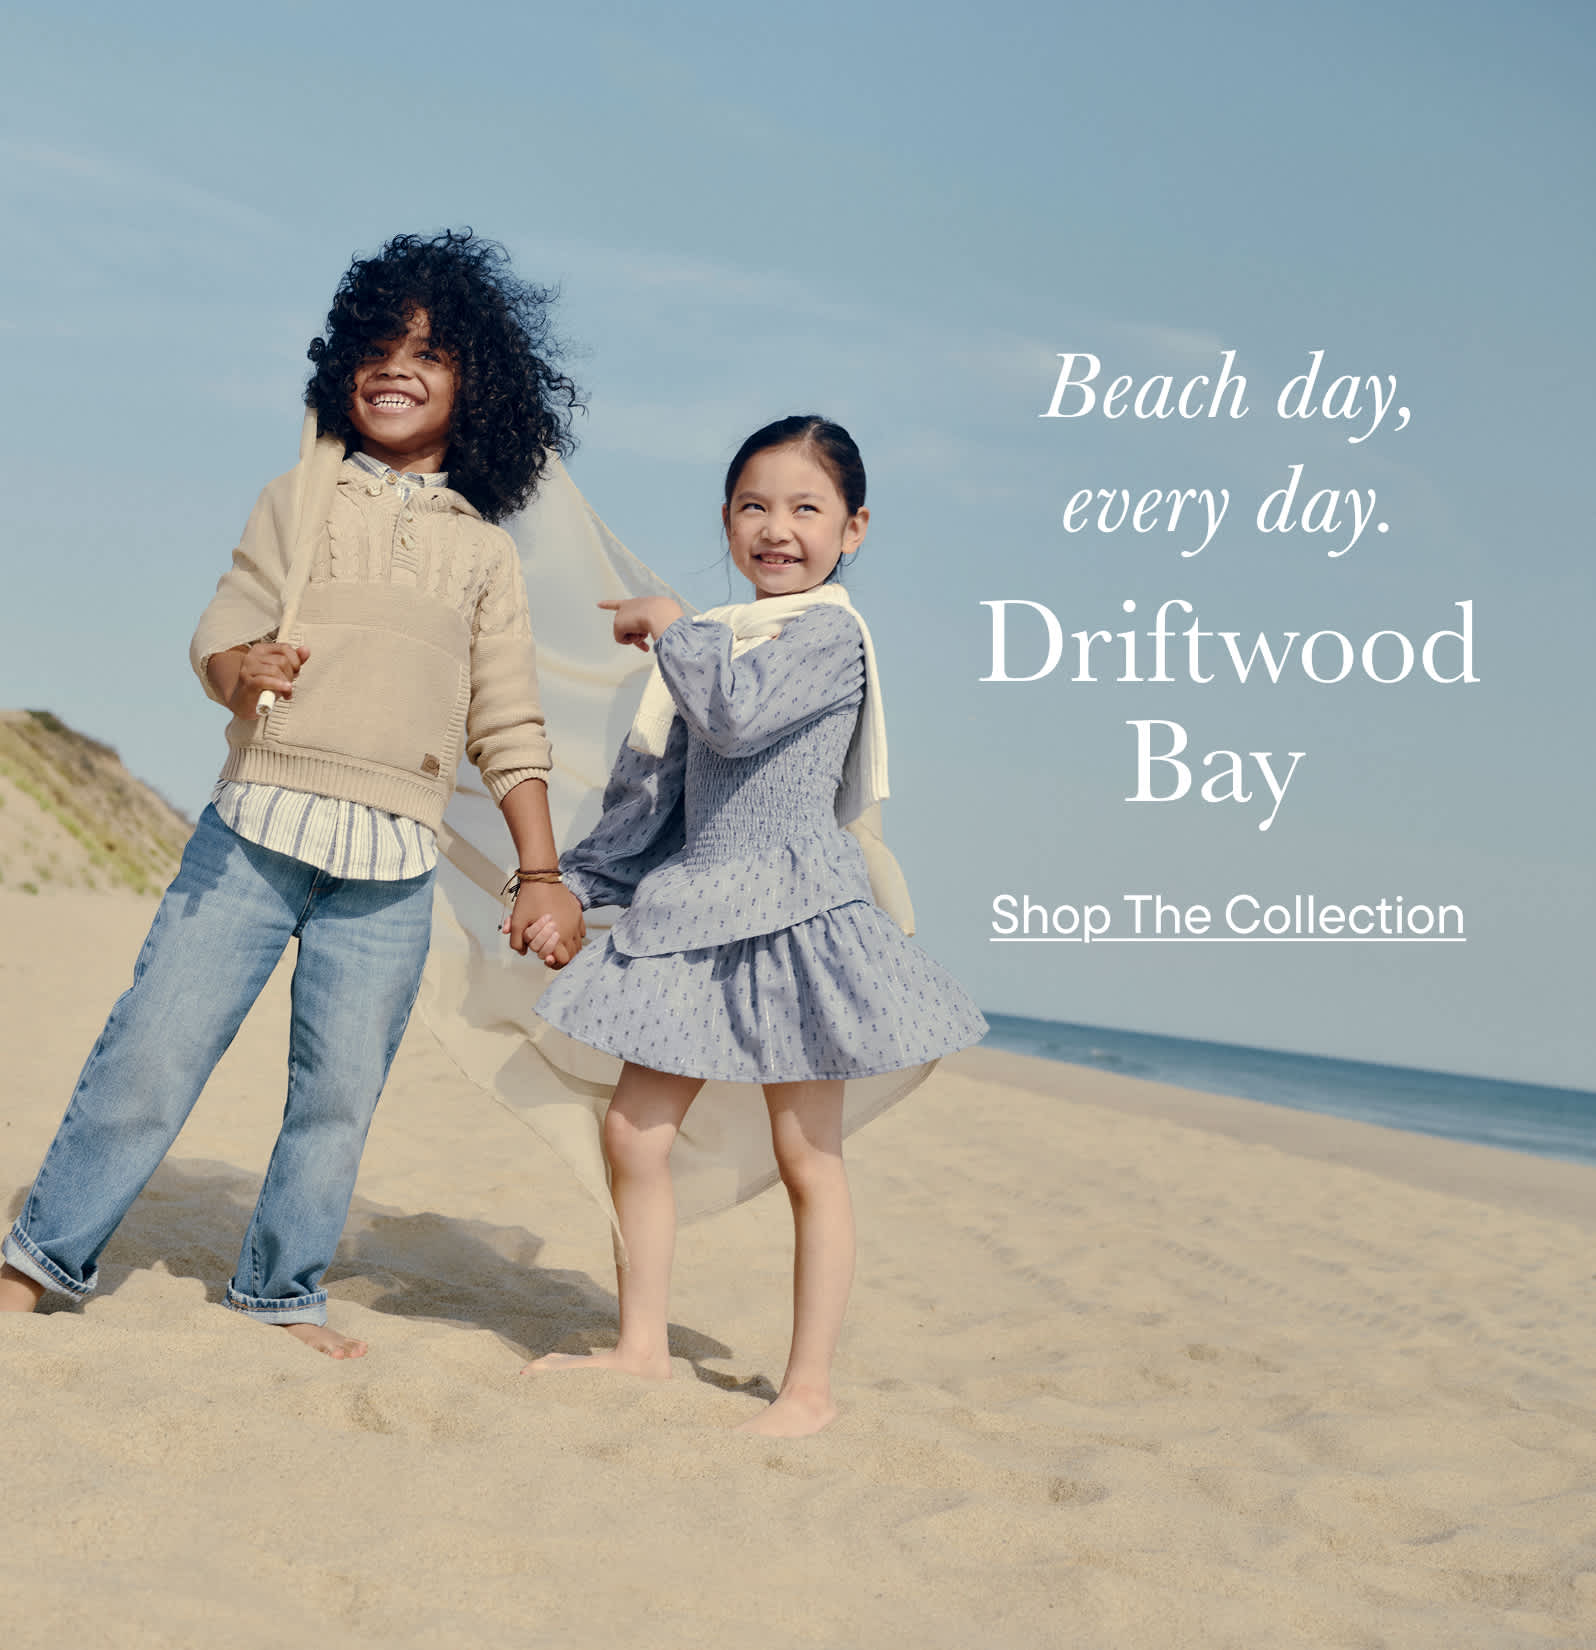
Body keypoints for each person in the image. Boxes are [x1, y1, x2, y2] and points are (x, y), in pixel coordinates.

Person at [0, 231, 585, 1357]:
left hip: (394, 864)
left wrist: (542, 873)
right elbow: (225, 622)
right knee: (155, 1048)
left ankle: (279, 1292)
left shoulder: (486, 557)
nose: (396, 366)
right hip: (256, 826)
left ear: (480, 390)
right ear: (340, 366)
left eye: (429, 352)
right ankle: (38, 1261)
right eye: (377, 345)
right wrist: (241, 670)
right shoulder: (298, 500)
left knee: (337, 1094)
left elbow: (508, 724)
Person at [522, 415, 987, 1435]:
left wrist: (673, 624)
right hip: (696, 908)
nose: (778, 529)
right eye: (754, 507)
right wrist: (581, 890)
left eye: (806, 509)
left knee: (805, 1154)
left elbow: (736, 718)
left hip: (795, 911)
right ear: (727, 520)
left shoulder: (827, 637)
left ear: (853, 529)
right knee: (633, 1131)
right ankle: (641, 1348)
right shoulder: (720, 643)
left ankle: (809, 1388)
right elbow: (660, 796)